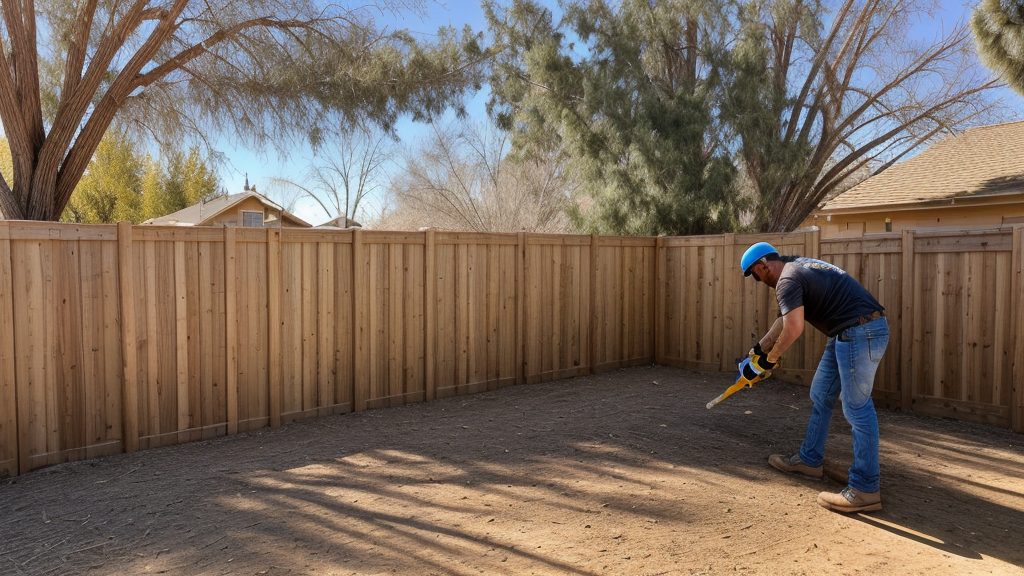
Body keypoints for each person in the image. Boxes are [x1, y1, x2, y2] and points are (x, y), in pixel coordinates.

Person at [740, 241, 890, 513]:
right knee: (820, 394)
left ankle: (865, 488)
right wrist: (759, 349)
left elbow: (793, 329)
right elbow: (785, 320)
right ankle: (810, 461)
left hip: (860, 332)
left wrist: (770, 362)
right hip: (848, 332)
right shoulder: (797, 268)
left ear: (762, 265)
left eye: (754, 274)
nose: (757, 280)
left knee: (857, 408)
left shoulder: (786, 280)